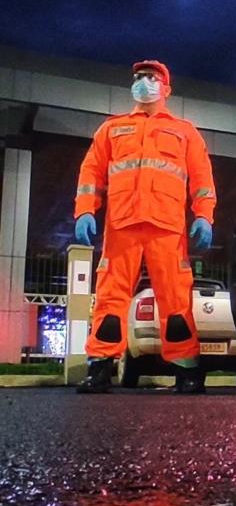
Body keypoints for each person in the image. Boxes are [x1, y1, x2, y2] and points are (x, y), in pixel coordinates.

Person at [73, 60, 216, 394]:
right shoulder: (111, 129)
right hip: (122, 225)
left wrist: (204, 216)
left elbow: (202, 180)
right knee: (110, 297)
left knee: (175, 300)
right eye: (139, 77)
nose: (144, 82)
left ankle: (187, 370)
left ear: (166, 89)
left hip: (167, 228)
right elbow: (91, 173)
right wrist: (84, 210)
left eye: (152, 78)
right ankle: (100, 367)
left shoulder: (185, 132)